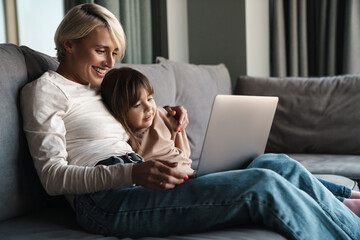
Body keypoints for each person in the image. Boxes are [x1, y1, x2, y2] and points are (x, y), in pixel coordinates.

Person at [19, 3, 360, 240]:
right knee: (262, 186)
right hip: (106, 202)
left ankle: (349, 204)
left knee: (273, 163)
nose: (110, 62)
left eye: (115, 53)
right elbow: (52, 178)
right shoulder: (45, 91)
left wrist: (169, 118)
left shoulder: (101, 87)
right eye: (101, 50)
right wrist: (132, 172)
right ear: (69, 44)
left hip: (139, 177)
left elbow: (129, 123)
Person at [100, 67, 195, 177]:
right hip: (162, 181)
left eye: (150, 99)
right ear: (119, 112)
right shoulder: (122, 138)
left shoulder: (163, 115)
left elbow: (185, 154)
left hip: (188, 173)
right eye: (137, 105)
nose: (149, 108)